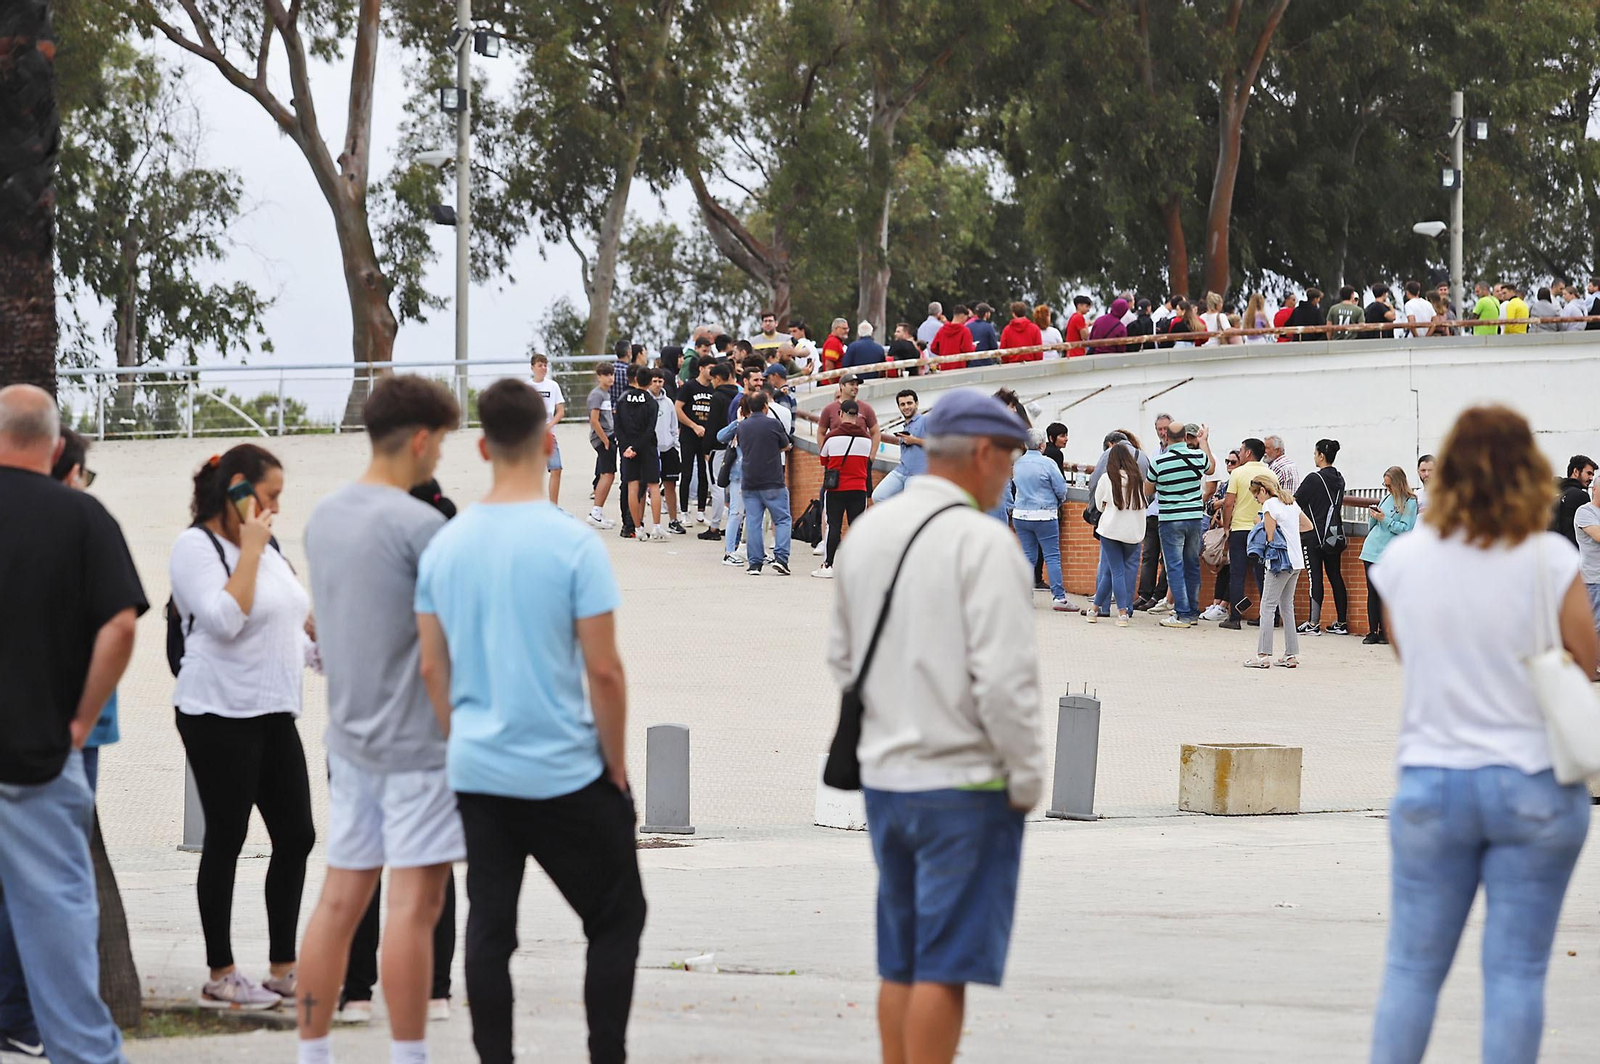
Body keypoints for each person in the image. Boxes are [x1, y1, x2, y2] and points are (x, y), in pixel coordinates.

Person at [415, 380, 645, 1064]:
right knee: (616, 917)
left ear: (483, 446)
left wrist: (463, 745)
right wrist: (615, 763)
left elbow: (433, 670)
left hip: (482, 770)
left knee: (490, 928)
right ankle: (606, 1053)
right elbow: (604, 672)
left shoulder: (444, 546)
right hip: (566, 767)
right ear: (549, 441)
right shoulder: (572, 545)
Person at [1366, 404, 1598, 1063]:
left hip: (1434, 778)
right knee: (1517, 973)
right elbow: (1586, 660)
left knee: (1411, 971)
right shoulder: (1549, 558)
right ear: (1531, 473)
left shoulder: (1407, 559)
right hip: (1535, 782)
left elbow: (1406, 653)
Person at [825, 389, 1042, 1064]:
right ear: (981, 454)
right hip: (966, 783)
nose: (1008, 472)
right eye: (1007, 458)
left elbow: (842, 658)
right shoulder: (986, 543)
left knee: (902, 959)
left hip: (888, 778)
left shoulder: (867, 533)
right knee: (944, 966)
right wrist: (1028, 775)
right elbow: (1004, 681)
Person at [296, 377, 464, 1064]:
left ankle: (313, 1052)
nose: (439, 461)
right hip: (418, 745)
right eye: (441, 445)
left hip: (348, 739)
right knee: (412, 908)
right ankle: (409, 1054)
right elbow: (442, 653)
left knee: (339, 900)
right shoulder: (422, 528)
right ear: (421, 439)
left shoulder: (323, 517)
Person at [0, 386, 146, 1064]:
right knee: (57, 915)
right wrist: (82, 720)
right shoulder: (81, 517)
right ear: (57, 449)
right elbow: (121, 622)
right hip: (38, 755)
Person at [170, 443, 316, 1009]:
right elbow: (225, 620)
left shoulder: (269, 547)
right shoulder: (195, 547)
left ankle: (283, 969)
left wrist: (320, 639)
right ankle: (221, 971)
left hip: (274, 707)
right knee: (227, 839)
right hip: (217, 711)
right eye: (269, 494)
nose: (275, 507)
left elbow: (289, 626)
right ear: (236, 488)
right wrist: (251, 551)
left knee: (297, 835)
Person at [1146, 421, 1215, 628]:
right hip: (1194, 517)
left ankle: (1182, 613)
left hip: (1169, 519)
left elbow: (1148, 491)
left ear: (1166, 437)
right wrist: (1204, 442)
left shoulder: (1159, 462)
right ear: (1186, 437)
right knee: (1192, 564)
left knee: (1174, 567)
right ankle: (1192, 612)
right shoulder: (1197, 456)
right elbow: (1211, 468)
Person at [1244, 476, 1310, 669]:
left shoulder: (1269, 506)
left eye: (1256, 495)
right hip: (1296, 561)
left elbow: (1270, 537)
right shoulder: (1290, 502)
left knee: (1267, 606)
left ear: (1263, 490)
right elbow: (1307, 526)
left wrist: (1260, 522)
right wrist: (1288, 530)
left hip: (1279, 562)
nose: (1257, 499)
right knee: (1287, 607)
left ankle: (1263, 655)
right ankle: (1290, 654)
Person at [1218, 439, 1279, 630]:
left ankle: (1235, 617)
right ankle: (1270, 617)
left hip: (1240, 529)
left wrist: (1226, 527)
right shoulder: (1270, 473)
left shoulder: (1238, 473)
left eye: (1242, 449)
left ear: (1248, 453)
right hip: (1262, 528)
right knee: (1264, 574)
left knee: (1237, 574)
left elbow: (1228, 503)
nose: (1241, 452)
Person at [1009, 431, 1072, 610]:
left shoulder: (1018, 463)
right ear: (1042, 445)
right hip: (1044, 514)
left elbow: (1014, 486)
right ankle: (1059, 598)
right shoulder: (1048, 463)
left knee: (1028, 556)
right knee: (1052, 556)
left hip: (1021, 513)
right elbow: (1060, 488)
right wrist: (1058, 502)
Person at [1294, 439, 1350, 636]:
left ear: (1321, 456)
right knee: (1335, 576)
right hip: (1333, 535)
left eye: (1315, 453)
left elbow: (1295, 503)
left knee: (1314, 578)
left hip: (1313, 535)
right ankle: (1342, 623)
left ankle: (1313, 623)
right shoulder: (1340, 479)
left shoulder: (1313, 479)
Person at [814, 400, 876, 577]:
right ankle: (858, 567)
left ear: (840, 414)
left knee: (833, 526)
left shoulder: (831, 436)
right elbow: (866, 460)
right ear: (857, 416)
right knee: (856, 527)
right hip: (859, 488)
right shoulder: (866, 438)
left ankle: (828, 565)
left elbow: (824, 459)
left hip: (836, 489)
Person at [1359, 465, 1419, 645]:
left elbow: (1405, 528)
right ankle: (1372, 631)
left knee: (1387, 592)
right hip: (1372, 548)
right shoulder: (1386, 497)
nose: (1387, 489)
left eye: (1389, 485)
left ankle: (1386, 632)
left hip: (1389, 553)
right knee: (1372, 592)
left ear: (1398, 483)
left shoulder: (1410, 502)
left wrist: (1384, 519)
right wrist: (1374, 516)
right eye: (1385, 485)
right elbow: (1373, 526)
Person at [736, 390, 794, 577]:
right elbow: (785, 445)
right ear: (766, 406)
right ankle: (781, 559)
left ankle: (754, 564)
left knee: (753, 522)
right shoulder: (773, 424)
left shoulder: (742, 427)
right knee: (783, 519)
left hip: (750, 480)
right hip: (772, 480)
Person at [1091, 442, 1147, 625]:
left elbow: (1099, 504)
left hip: (1111, 530)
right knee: (1113, 571)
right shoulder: (1138, 479)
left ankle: (1122, 613)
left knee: (1114, 571)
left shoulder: (1107, 478)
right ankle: (1094, 610)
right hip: (1133, 533)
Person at [615, 366, 665, 542]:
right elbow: (650, 430)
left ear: (635, 378)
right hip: (647, 447)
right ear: (650, 381)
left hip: (628, 449)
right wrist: (637, 447)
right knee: (653, 486)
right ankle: (657, 527)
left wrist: (626, 448)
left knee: (632, 486)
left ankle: (638, 528)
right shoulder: (651, 402)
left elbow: (618, 427)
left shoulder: (622, 400)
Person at [675, 356, 718, 526]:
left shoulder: (714, 389)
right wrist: (693, 426)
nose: (712, 371)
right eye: (709, 367)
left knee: (703, 474)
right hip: (688, 435)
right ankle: (684, 512)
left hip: (706, 438)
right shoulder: (689, 386)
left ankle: (701, 512)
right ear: (701, 368)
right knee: (686, 473)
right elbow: (678, 408)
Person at [873, 390, 927, 503]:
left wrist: (915, 440)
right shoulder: (906, 425)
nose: (906, 407)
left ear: (916, 404)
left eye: (909, 403)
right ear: (899, 407)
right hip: (901, 470)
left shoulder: (925, 421)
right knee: (878, 496)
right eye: (902, 404)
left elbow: (940, 444)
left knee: (911, 506)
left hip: (917, 474)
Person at [649, 369, 686, 535]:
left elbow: (673, 426)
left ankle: (673, 520)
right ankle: (643, 523)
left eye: (660, 381)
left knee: (670, 485)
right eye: (654, 381)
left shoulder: (668, 402)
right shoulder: (645, 400)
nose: (657, 385)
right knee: (648, 486)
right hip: (650, 449)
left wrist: (674, 445)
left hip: (668, 448)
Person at [530, 353, 565, 508]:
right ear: (532, 368)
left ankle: (553, 506)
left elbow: (560, 410)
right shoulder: (527, 387)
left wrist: (549, 425)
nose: (543, 368)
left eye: (545, 365)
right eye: (540, 365)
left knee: (556, 468)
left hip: (548, 433)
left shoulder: (553, 386)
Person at [586, 364, 618, 530]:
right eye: (606, 375)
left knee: (608, 474)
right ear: (599, 376)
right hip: (602, 438)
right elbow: (594, 420)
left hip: (609, 436)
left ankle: (598, 512)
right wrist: (605, 440)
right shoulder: (597, 395)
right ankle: (595, 513)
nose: (610, 378)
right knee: (607, 474)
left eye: (611, 374)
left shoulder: (606, 394)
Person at [1551, 454, 1596, 545]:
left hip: (1553, 548)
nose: (1591, 478)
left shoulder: (1554, 494)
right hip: (1573, 551)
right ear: (1576, 471)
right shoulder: (1581, 496)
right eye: (1588, 473)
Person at [929, 305, 976, 370]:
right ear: (962, 316)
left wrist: (943, 352)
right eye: (966, 317)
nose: (966, 320)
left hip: (944, 366)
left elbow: (933, 348)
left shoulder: (942, 330)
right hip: (959, 367)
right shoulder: (965, 331)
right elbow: (967, 350)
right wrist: (973, 347)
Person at [966, 302, 1000, 366]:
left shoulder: (968, 326)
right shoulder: (989, 327)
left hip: (971, 363)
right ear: (986, 314)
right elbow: (994, 346)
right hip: (985, 362)